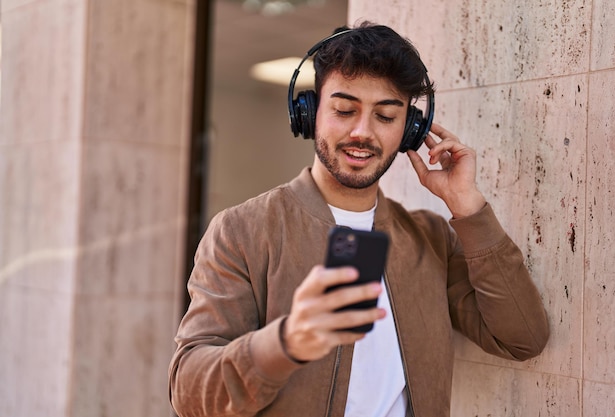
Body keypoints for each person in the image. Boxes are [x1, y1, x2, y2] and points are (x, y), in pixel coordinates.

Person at [168, 21, 549, 417]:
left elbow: (523, 338)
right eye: (344, 110)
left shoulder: (430, 237)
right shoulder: (242, 231)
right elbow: (189, 394)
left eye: (385, 116)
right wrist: (284, 343)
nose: (362, 132)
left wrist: (468, 209)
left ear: (409, 130)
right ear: (310, 112)